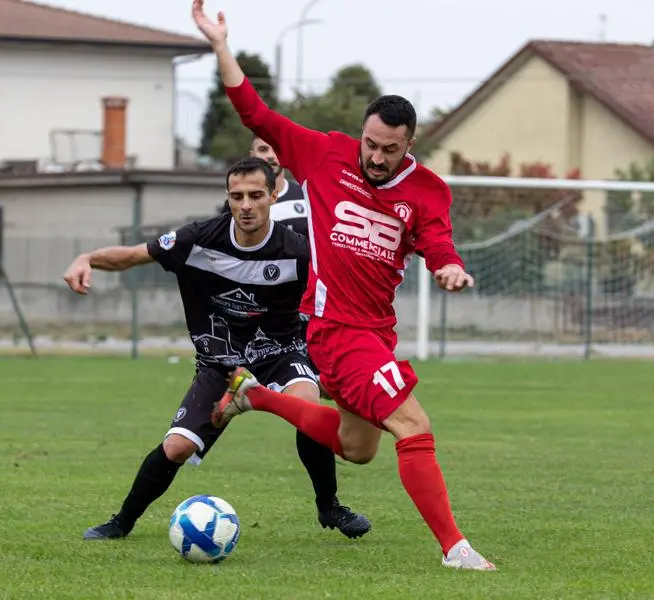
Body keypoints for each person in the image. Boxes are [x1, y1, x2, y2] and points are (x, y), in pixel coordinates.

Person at [192, 0, 494, 570]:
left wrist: (448, 266)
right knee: (414, 425)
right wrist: (220, 46)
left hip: (376, 333)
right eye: (370, 144)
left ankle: (254, 396)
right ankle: (456, 549)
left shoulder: (427, 191)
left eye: (390, 149)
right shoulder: (326, 153)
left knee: (358, 449)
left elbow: (437, 241)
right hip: (335, 329)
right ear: (362, 133)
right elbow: (256, 114)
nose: (376, 158)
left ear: (409, 144)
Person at [64, 157, 370, 541]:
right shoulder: (197, 240)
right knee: (176, 447)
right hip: (220, 365)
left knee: (308, 407)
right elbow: (133, 256)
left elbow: (336, 302)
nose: (245, 205)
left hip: (281, 356)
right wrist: (87, 258)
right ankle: (121, 522)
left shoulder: (299, 252)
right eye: (237, 196)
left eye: (256, 195)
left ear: (274, 195)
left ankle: (330, 507)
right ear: (227, 197)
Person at [220, 135, 309, 238]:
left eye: (277, 149)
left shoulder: (306, 196)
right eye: (263, 150)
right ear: (252, 155)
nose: (271, 155)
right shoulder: (236, 204)